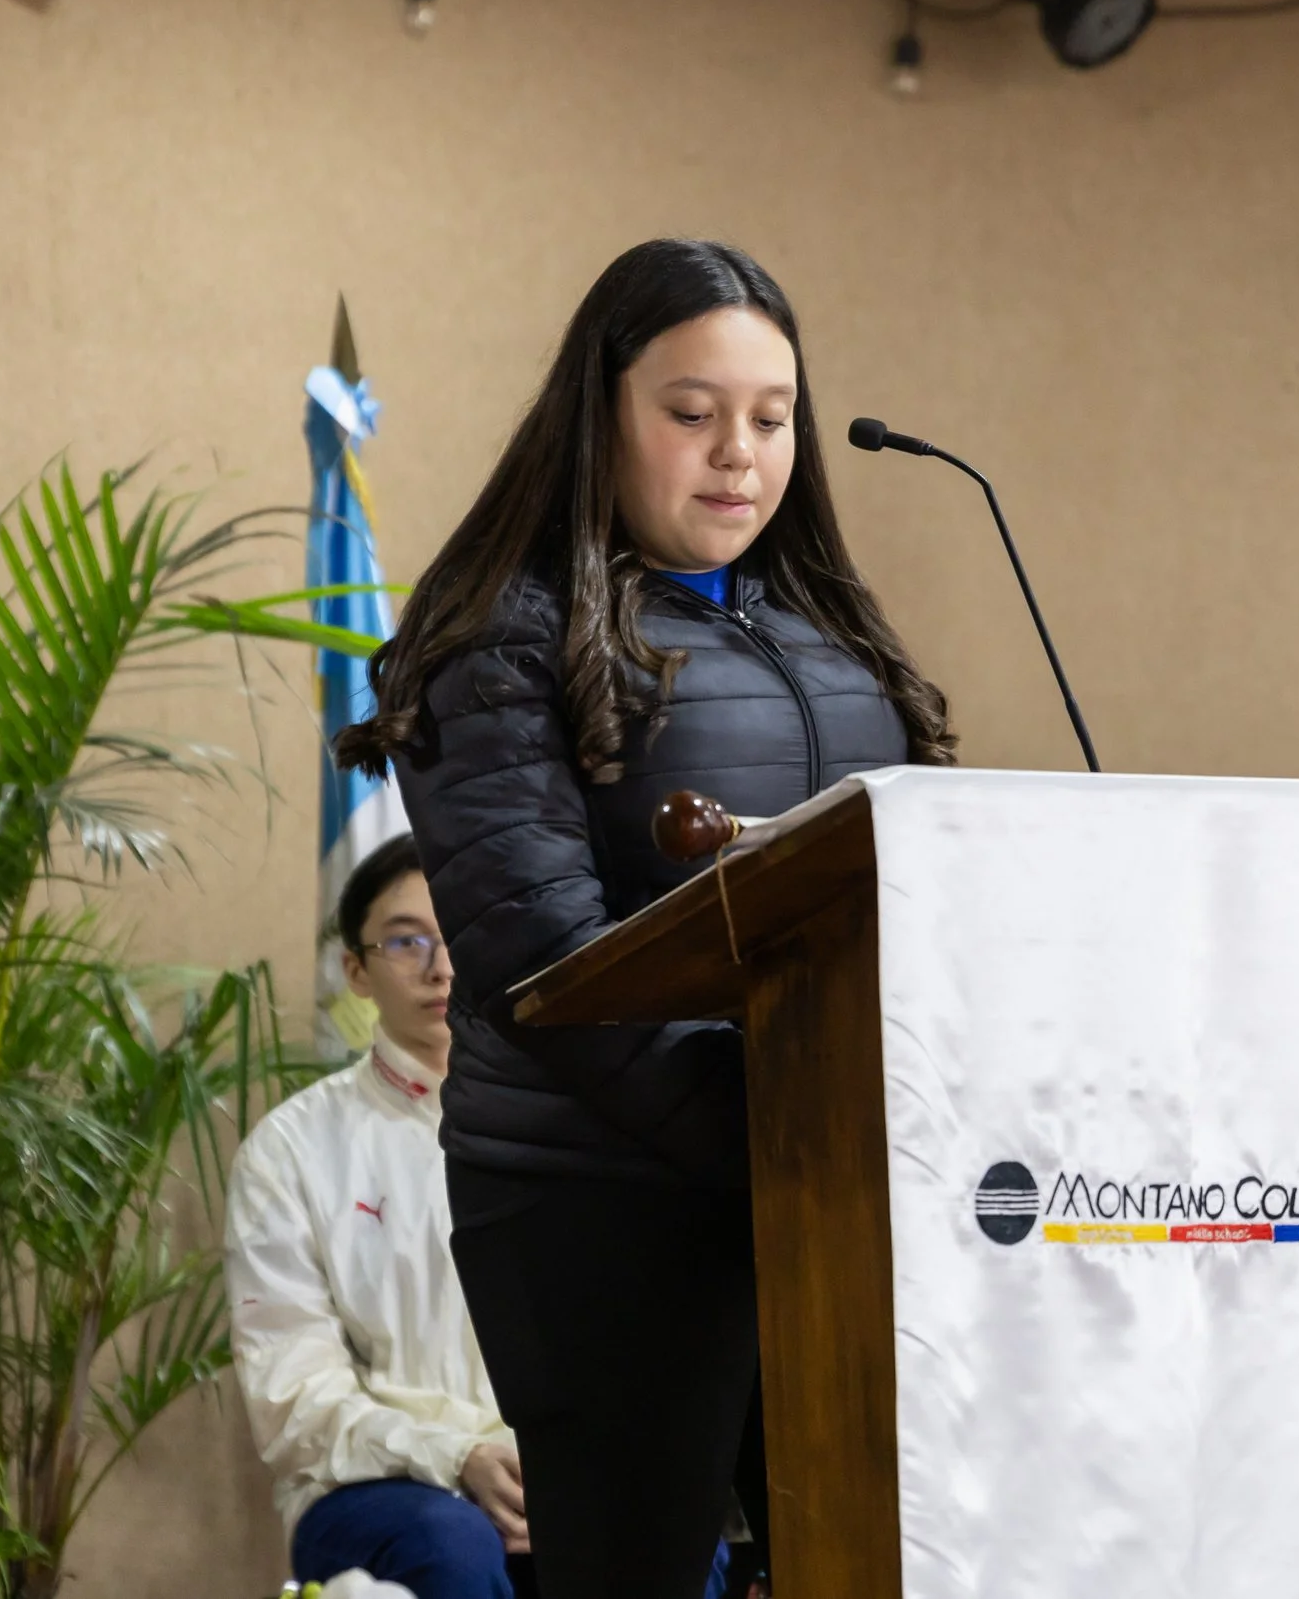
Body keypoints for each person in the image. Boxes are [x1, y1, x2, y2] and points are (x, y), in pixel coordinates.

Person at [331, 238, 954, 1599]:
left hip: (821, 1183)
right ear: (600, 413)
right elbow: (544, 955)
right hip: (592, 1198)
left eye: (772, 418)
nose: (739, 452)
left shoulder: (834, 630)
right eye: (692, 412)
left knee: (871, 1558)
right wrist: (781, 1141)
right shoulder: (499, 633)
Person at [225, 836, 527, 1599]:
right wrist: (455, 1454)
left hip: (543, 1470)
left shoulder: (563, 1126)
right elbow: (293, 1399)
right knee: (451, 1547)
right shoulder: (290, 1150)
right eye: (406, 940)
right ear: (356, 970)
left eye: (459, 933)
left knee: (670, 1544)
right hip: (371, 1484)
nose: (442, 966)